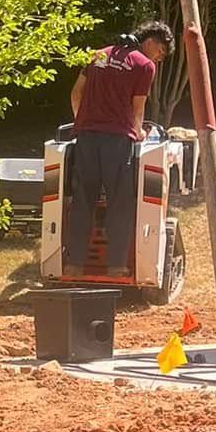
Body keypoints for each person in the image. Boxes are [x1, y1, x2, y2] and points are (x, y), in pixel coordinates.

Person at [63, 22, 175, 275]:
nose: (159, 58)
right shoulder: (145, 66)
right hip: (117, 140)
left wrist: (82, 121)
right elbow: (138, 108)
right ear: (152, 42)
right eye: (161, 52)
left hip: (87, 138)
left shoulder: (98, 55)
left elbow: (75, 94)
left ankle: (73, 265)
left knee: (82, 201)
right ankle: (116, 265)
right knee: (119, 203)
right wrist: (140, 133)